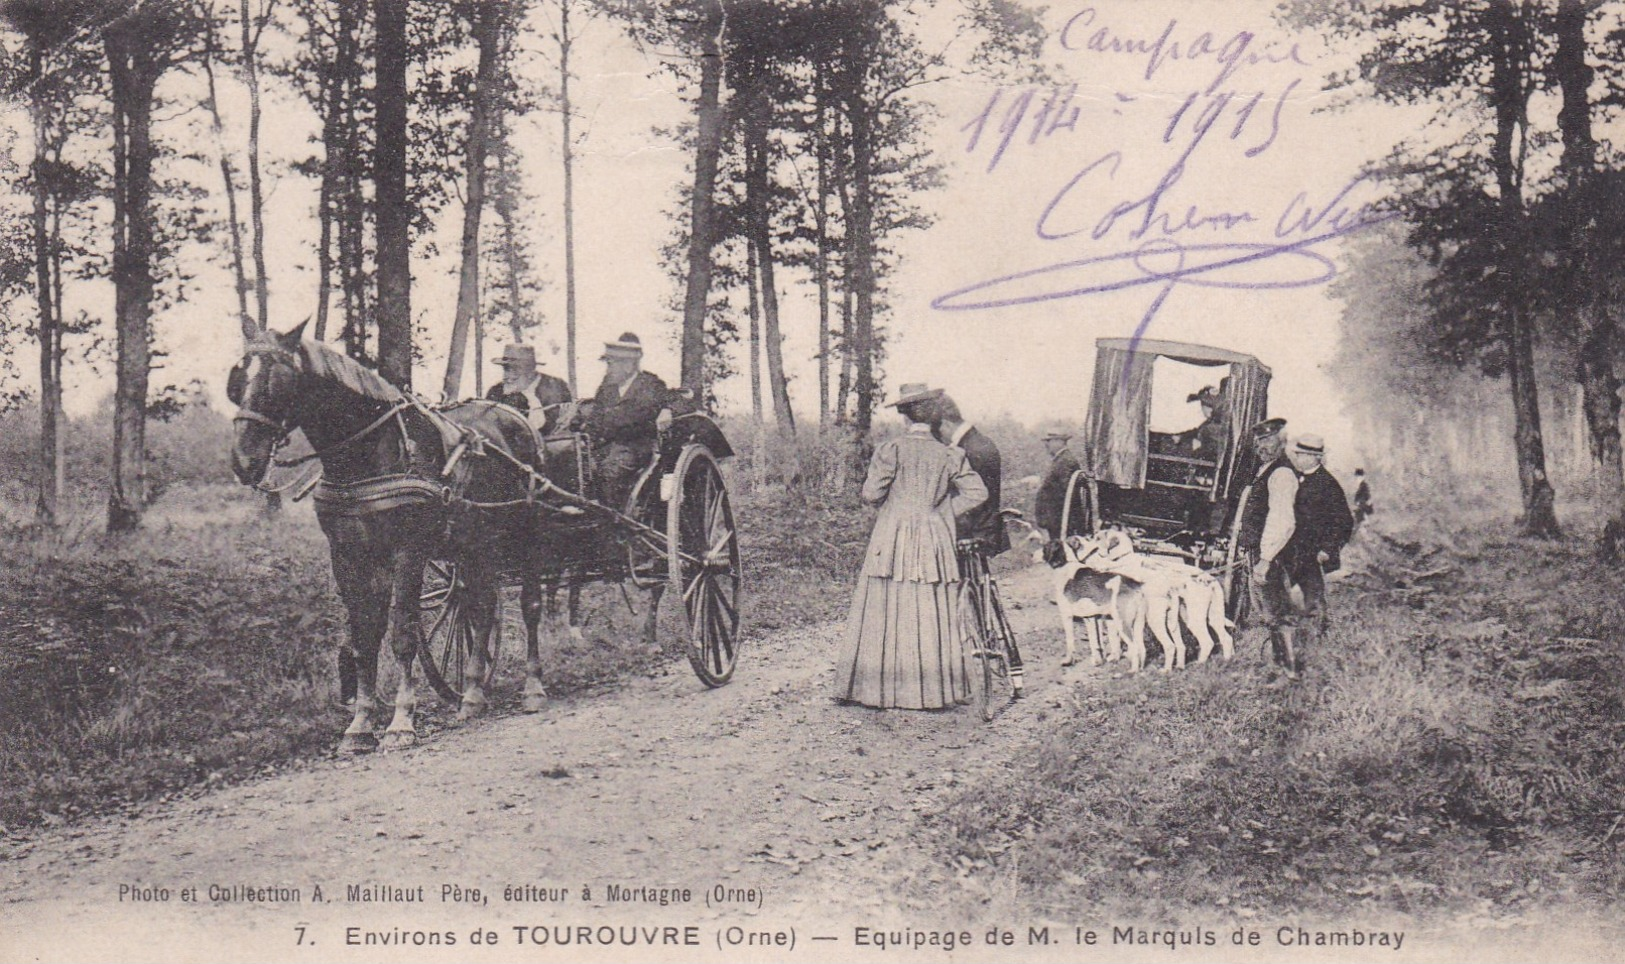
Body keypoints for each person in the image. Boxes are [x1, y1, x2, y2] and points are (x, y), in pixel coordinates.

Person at [833, 384, 988, 710]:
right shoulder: (949, 454)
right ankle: (931, 693)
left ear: (904, 415)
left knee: (887, 603)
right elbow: (978, 493)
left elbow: (871, 494)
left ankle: (878, 691)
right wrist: (942, 511)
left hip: (892, 534)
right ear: (934, 417)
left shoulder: (892, 451)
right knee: (928, 605)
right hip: (933, 536)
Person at [932, 392, 1022, 698]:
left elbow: (972, 501)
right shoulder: (982, 442)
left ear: (943, 423)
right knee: (984, 603)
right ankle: (1011, 667)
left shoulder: (968, 450)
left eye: (937, 430)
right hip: (986, 532)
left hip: (972, 533)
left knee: (951, 596)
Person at [1238, 418, 1302, 677]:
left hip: (1273, 555)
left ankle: (1288, 670)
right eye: (1259, 441)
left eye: (1267, 440)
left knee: (1277, 611)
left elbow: (1282, 520)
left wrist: (1265, 560)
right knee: (1269, 612)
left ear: (1282, 441)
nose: (1261, 446)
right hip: (1263, 553)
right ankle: (1280, 666)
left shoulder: (1282, 474)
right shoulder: (1266, 469)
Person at [583, 332, 670, 511]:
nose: (608, 369)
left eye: (611, 363)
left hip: (637, 448)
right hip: (605, 448)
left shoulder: (650, 384)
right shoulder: (607, 388)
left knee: (609, 472)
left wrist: (668, 410)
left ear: (629, 365)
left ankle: (613, 523)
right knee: (575, 467)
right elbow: (595, 418)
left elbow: (675, 400)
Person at [1283, 434, 1354, 637]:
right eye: (1298, 454)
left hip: (1312, 552)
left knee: (1313, 596)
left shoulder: (1328, 485)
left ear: (1316, 457)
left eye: (1304, 455)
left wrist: (1328, 549)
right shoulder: (1295, 478)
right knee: (1284, 595)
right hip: (1290, 549)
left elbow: (1344, 522)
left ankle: (1319, 636)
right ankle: (1289, 634)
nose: (1299, 459)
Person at [487, 344, 573, 435]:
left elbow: (569, 419)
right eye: (506, 369)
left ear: (531, 370)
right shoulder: (496, 392)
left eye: (515, 369)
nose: (506, 376)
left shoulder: (556, 386)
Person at [1034, 429, 1082, 544]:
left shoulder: (1065, 461)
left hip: (1061, 520)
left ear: (1059, 442)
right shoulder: (1060, 460)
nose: (1047, 445)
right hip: (1056, 519)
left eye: (1049, 441)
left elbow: (1067, 494)